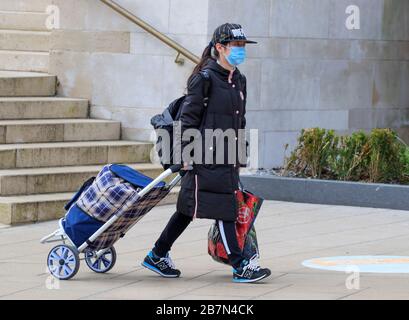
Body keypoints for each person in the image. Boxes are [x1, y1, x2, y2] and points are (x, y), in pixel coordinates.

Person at [142, 23, 271, 283]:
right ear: (220, 48)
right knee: (224, 208)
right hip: (203, 157)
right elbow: (188, 119)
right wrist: (184, 156)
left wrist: (240, 151)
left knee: (188, 208)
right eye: (236, 46)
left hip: (226, 156)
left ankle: (157, 254)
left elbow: (239, 119)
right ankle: (240, 265)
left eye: (243, 46)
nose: (240, 51)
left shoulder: (239, 80)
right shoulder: (204, 79)